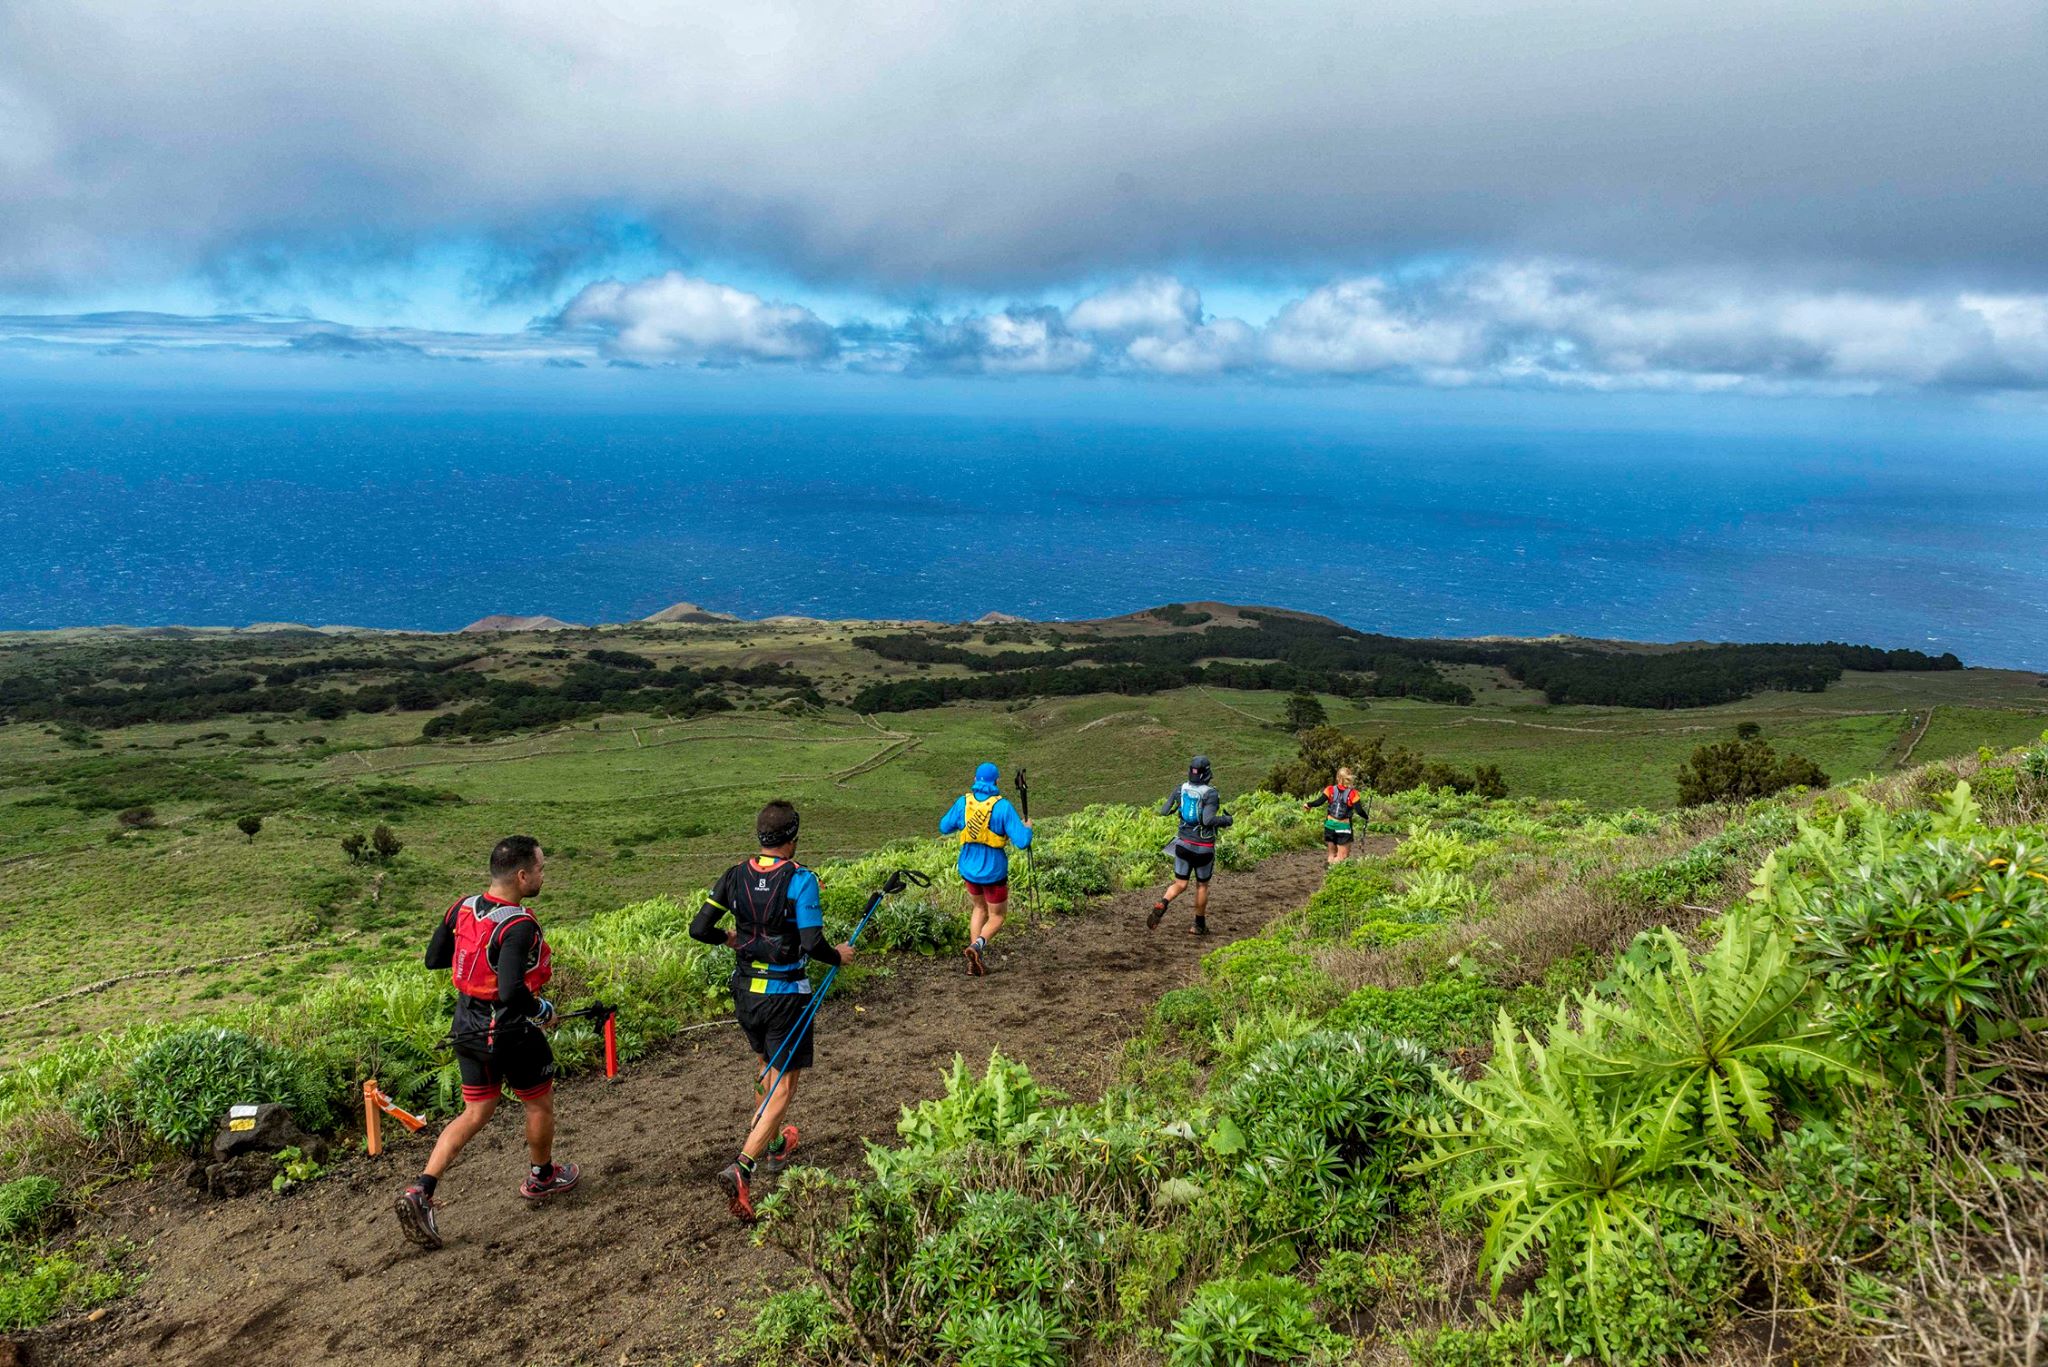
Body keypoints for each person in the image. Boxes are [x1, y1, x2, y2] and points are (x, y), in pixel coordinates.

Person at [395, 836, 580, 1250]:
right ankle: (543, 1176)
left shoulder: (461, 908)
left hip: (467, 1025)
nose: (543, 875)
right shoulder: (519, 925)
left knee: (476, 1110)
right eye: (540, 869)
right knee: (538, 1102)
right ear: (521, 875)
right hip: (510, 1030)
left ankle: (422, 1189)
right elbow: (513, 990)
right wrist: (542, 1009)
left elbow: (435, 960)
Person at [689, 799, 854, 1223]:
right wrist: (839, 955)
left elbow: (699, 929)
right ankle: (743, 1166)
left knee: (767, 1069)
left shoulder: (733, 875)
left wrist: (733, 939)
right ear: (793, 835)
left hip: (745, 993)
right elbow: (813, 943)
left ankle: (777, 1146)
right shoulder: (801, 880)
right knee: (783, 1086)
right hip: (786, 995)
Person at [937, 762, 1034, 976]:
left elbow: (944, 826)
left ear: (975, 780)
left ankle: (974, 957)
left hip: (968, 868)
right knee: (997, 916)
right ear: (997, 782)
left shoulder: (964, 802)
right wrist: (1027, 828)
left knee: (979, 909)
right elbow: (1022, 842)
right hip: (994, 872)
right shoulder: (1003, 807)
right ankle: (978, 946)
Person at [1147, 755, 1233, 936]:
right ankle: (1198, 925)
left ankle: (1164, 901)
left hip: (1183, 845)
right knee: (1201, 886)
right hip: (1203, 848)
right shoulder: (1211, 793)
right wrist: (1226, 820)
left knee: (1180, 884)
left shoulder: (1180, 789)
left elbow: (1163, 811)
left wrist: (1176, 810)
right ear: (1207, 773)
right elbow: (1208, 819)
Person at [1305, 767, 1365, 863]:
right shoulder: (1353, 793)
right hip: (1343, 827)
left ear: (1337, 777)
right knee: (1342, 857)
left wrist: (1308, 804)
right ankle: (1335, 875)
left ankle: (1329, 872)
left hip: (1329, 826)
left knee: (1331, 855)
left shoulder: (1330, 789)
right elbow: (1359, 810)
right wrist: (1366, 817)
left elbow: (1319, 802)